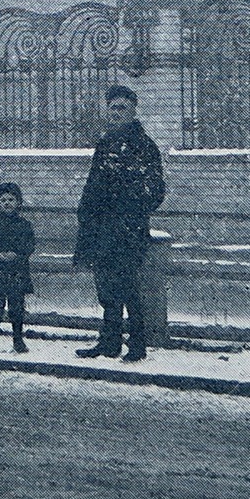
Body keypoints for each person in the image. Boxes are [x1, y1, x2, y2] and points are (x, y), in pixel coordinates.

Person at [72, 84, 165, 362]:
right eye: (112, 107)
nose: (116, 113)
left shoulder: (145, 146)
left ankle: (138, 345)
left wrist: (131, 208)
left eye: (122, 107)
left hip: (127, 230)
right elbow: (92, 184)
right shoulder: (105, 143)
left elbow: (156, 190)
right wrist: (85, 214)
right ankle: (109, 342)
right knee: (106, 288)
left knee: (128, 288)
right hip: (102, 229)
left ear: (133, 110)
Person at [0, 182, 36, 353]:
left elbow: (29, 245)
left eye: (11, 199)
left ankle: (18, 339)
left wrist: (17, 254)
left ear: (18, 202)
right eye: (3, 200)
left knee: (16, 307)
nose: (7, 203)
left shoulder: (24, 225)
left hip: (17, 270)